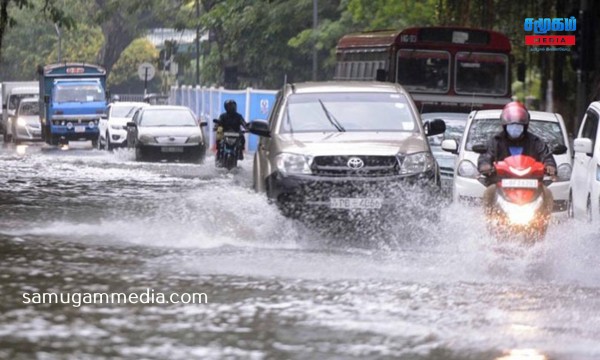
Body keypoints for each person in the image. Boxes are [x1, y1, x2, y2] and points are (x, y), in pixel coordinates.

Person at [477, 101, 556, 215]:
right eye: (511, 126)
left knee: (547, 193)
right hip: (502, 183)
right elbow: (486, 155)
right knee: (489, 192)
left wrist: (550, 165)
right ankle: (490, 223)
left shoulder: (535, 142)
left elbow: (546, 156)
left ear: (525, 126)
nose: (515, 128)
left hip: (531, 183)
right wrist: (485, 165)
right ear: (504, 126)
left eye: (518, 126)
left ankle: (543, 223)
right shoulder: (496, 141)